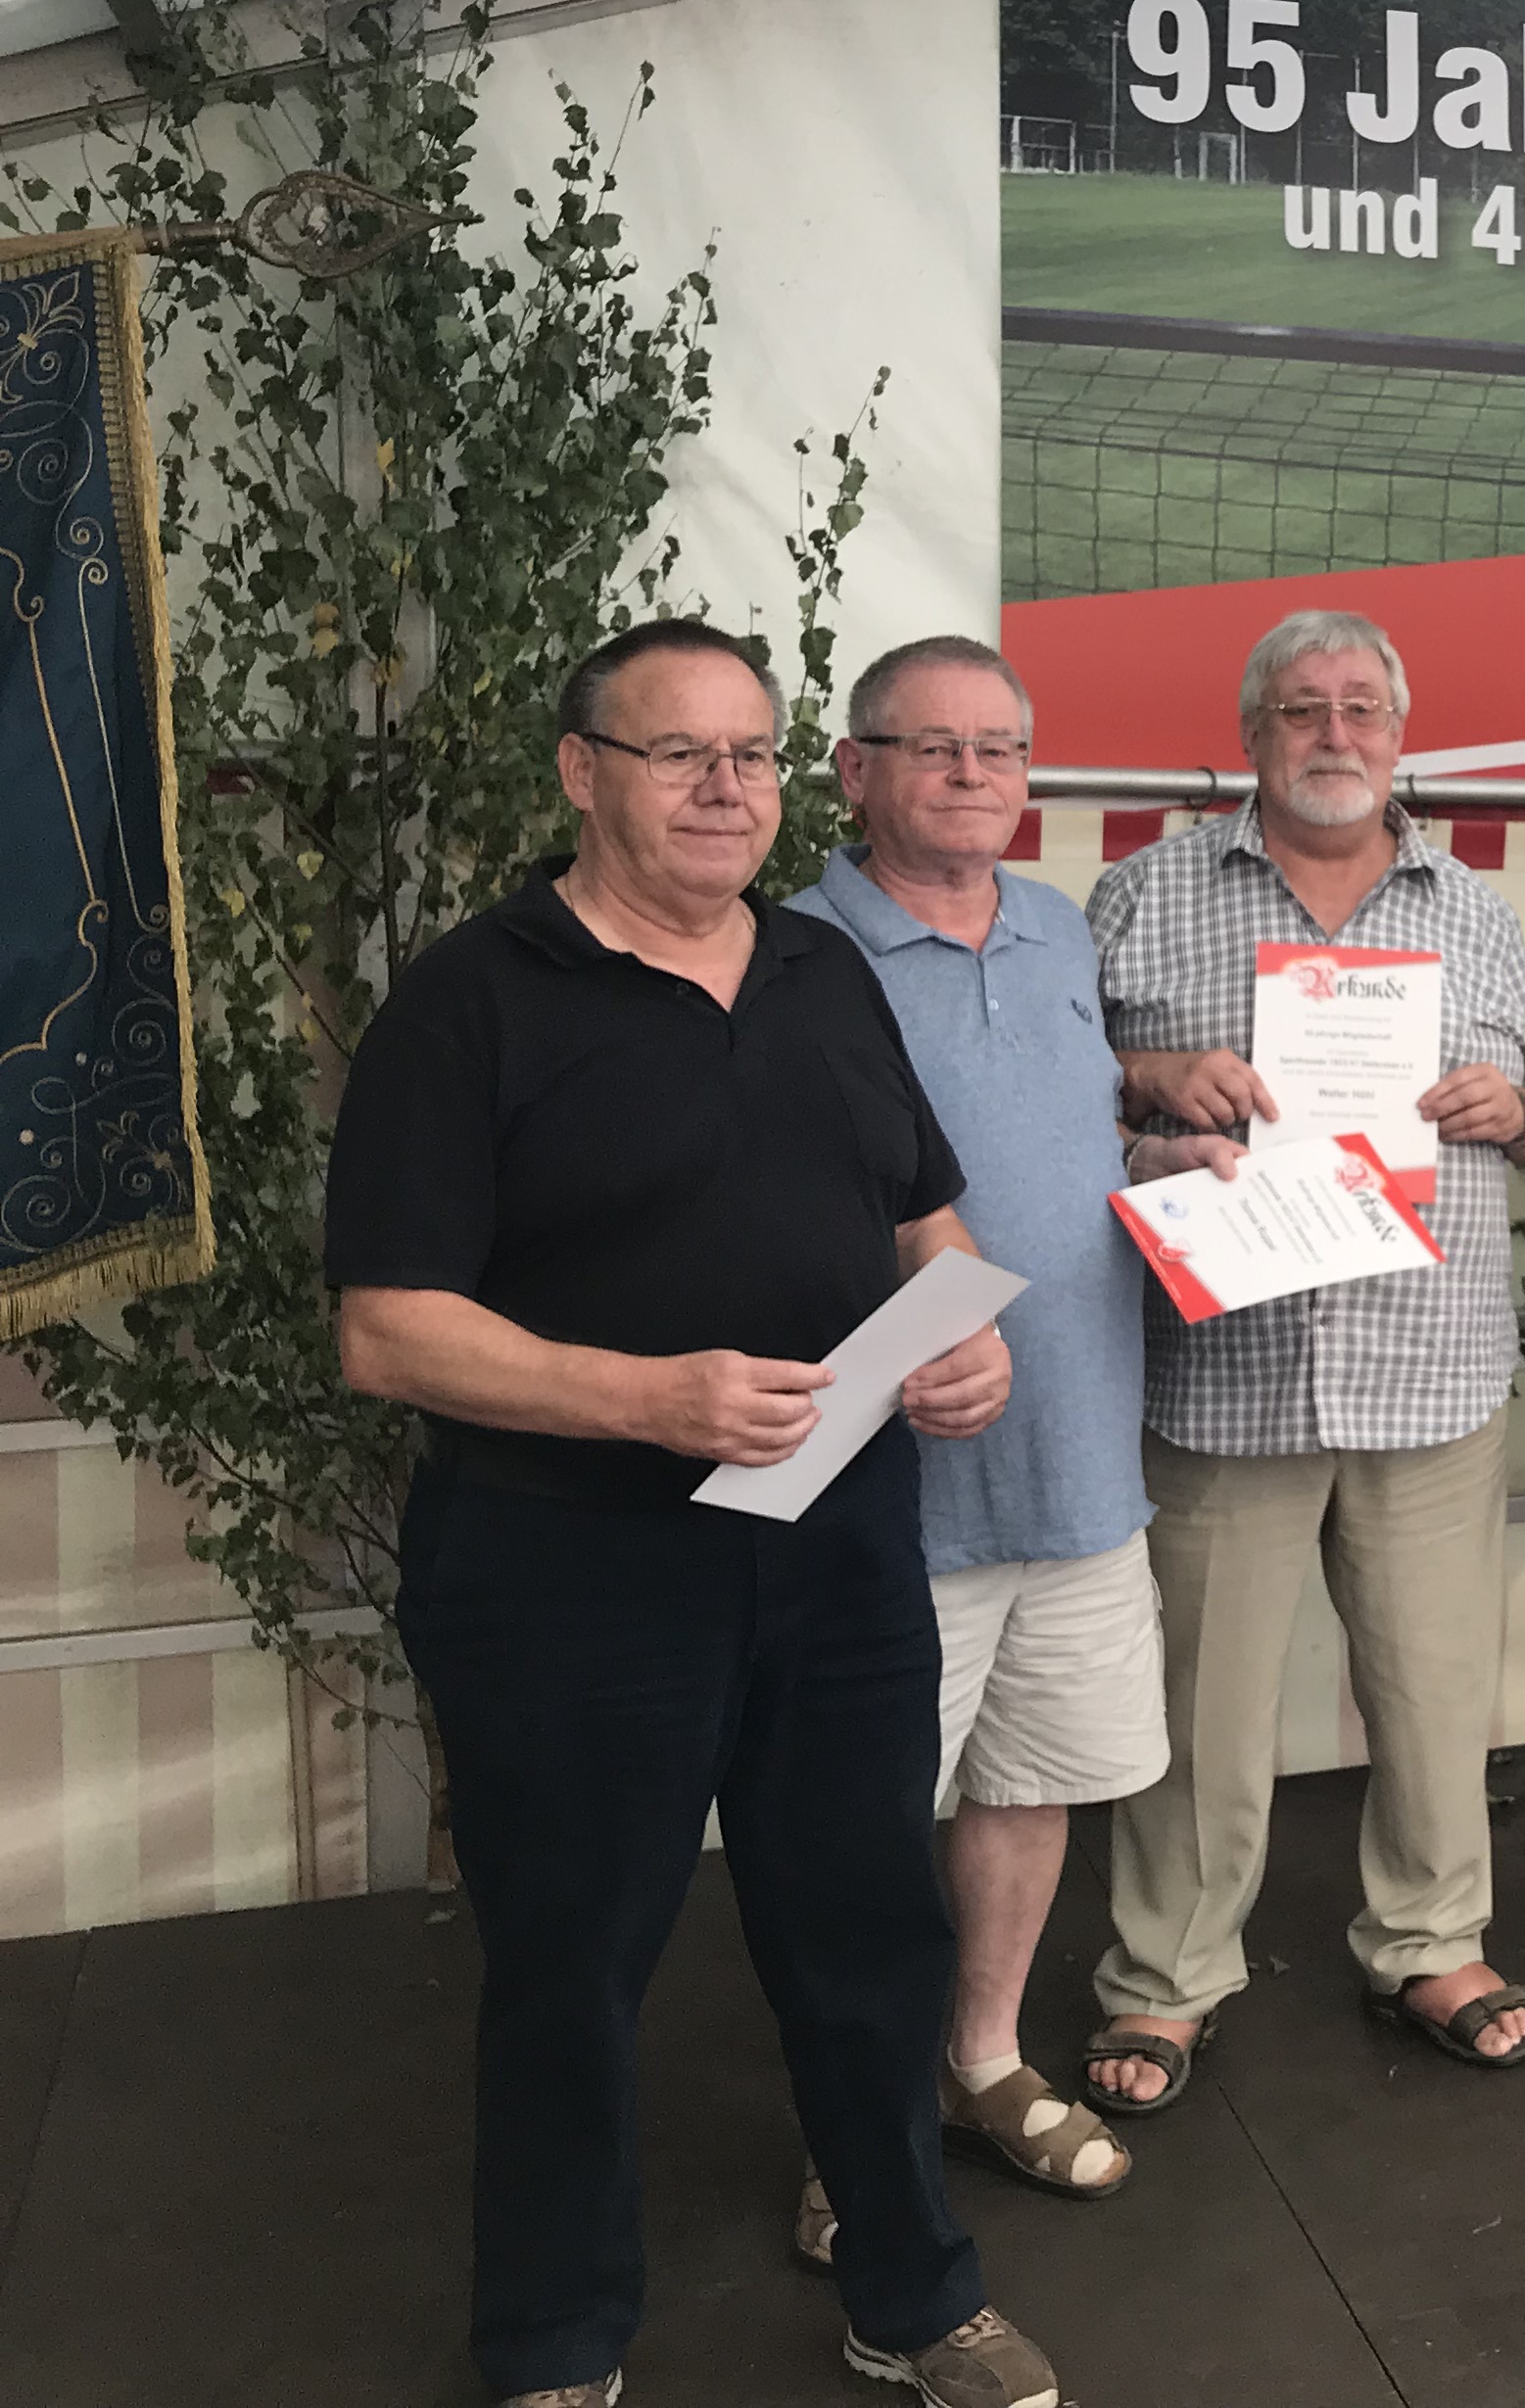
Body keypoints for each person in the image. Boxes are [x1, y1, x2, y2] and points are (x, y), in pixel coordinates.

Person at [326, 618, 1060, 2408]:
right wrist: (645, 1397)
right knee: (573, 1966)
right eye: (680, 753)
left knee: (871, 1936)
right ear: (581, 773)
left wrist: (963, 1336)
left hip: (840, 1548)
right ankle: (556, 2339)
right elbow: (386, 1329)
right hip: (567, 1574)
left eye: (750, 754)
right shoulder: (469, 1000)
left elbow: (923, 1216)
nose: (727, 788)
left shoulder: (820, 970)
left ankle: (912, 2292)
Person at [1081, 609, 1525, 2101]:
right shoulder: (1144, 893)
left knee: (1432, 1692)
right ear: (1252, 735)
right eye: (1302, 709)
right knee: (1202, 1711)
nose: (1335, 734)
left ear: (1401, 736)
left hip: (1428, 1367)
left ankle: (1430, 1939)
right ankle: (1167, 1977)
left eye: (1362, 707)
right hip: (1224, 1368)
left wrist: (1522, 1111)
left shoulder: (1474, 910)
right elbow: (1057, 1092)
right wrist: (1147, 1076)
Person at [789, 636, 1160, 2232]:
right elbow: (765, 1204)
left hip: (1079, 1464)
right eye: (931, 746)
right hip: (892, 1486)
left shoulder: (1062, 927)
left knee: (1032, 1781)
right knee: (861, 1831)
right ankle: (854, 2129)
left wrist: (1175, 1156)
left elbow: (1064, 1133)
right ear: (854, 769)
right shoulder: (789, 950)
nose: (970, 775)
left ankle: (983, 2059)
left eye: (999, 749)